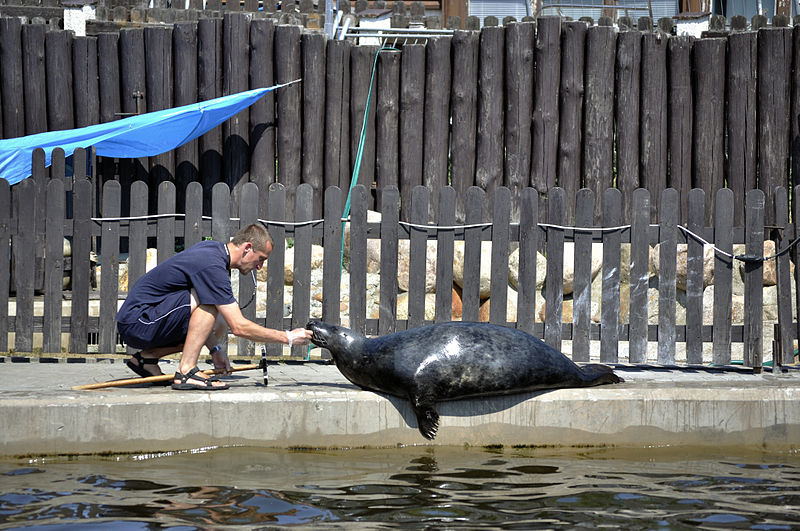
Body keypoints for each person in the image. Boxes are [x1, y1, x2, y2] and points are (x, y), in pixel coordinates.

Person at [116, 223, 312, 390]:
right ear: (247, 248)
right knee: (211, 305)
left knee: (218, 321)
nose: (259, 266)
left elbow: (209, 325)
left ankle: (146, 360)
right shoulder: (212, 266)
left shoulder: (214, 252)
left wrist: (216, 350)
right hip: (139, 321)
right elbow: (239, 327)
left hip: (143, 320)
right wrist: (288, 337)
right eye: (260, 258)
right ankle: (186, 372)